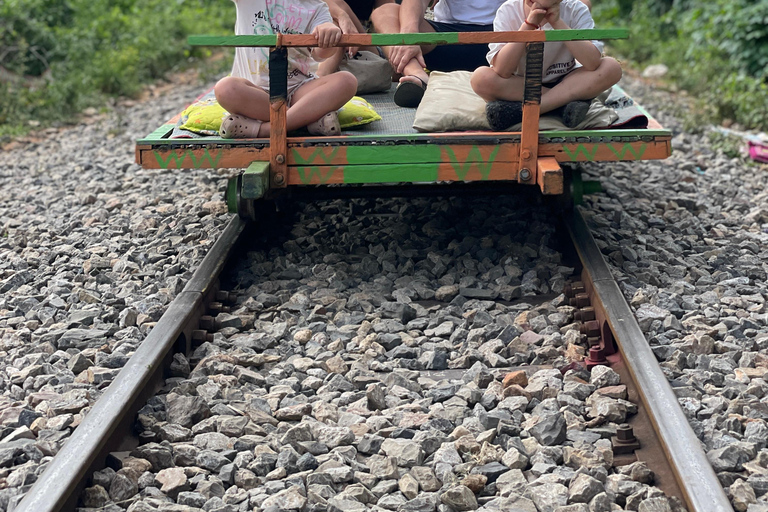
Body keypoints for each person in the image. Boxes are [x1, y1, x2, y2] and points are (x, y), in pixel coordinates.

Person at [214, 0, 358, 138]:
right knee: (225, 88)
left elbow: (321, 54)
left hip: (299, 90)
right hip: (256, 93)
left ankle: (266, 130)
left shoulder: (317, 7)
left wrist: (329, 34)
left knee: (347, 81)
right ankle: (306, 122)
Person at [470, 0, 622, 130]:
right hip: (519, 85)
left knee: (611, 67)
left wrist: (557, 22)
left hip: (566, 81)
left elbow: (592, 62)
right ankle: (561, 105)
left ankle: (527, 111)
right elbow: (502, 70)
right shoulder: (508, 10)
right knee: (480, 78)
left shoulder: (576, 9)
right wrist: (528, 25)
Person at [370, 0, 507, 107]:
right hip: (447, 39)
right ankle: (416, 76)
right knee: (385, 12)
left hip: (505, 43)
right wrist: (409, 38)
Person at [317, 0, 395, 76]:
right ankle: (318, 80)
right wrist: (341, 15)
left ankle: (318, 80)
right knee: (334, 30)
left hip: (365, 41)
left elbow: (386, 9)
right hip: (320, 28)